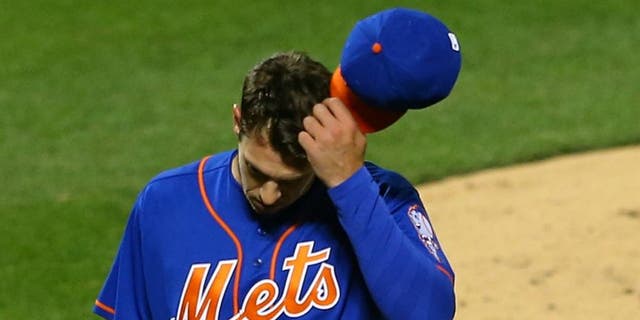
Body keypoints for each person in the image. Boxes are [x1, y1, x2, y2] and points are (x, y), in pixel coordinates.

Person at [94, 51, 455, 320]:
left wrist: (349, 184)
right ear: (238, 121)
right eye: (256, 171)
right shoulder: (165, 202)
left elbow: (430, 313)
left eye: (290, 181)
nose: (268, 195)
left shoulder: (381, 196)